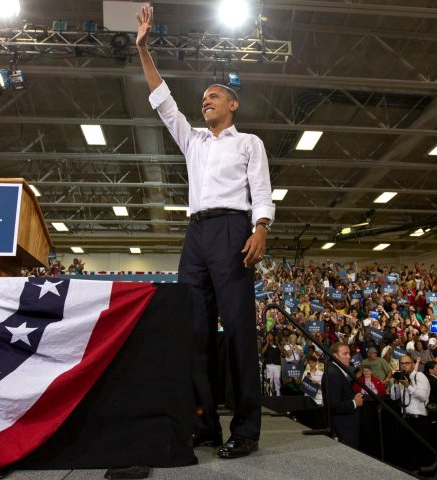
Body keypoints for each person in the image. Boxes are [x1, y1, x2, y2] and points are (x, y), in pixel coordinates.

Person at [136, 5, 275, 459]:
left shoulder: (249, 143)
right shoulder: (192, 140)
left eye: (214, 96)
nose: (206, 102)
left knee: (237, 332)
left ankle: (247, 430)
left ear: (233, 104)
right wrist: (143, 48)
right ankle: (204, 425)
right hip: (195, 236)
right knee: (192, 332)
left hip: (234, 230)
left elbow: (261, 190)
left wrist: (261, 229)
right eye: (204, 99)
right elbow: (162, 100)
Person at [324, 342, 363, 448]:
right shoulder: (333, 374)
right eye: (345, 354)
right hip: (343, 429)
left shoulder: (335, 370)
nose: (349, 357)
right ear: (335, 356)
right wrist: (354, 403)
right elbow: (334, 405)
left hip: (344, 427)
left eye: (349, 354)